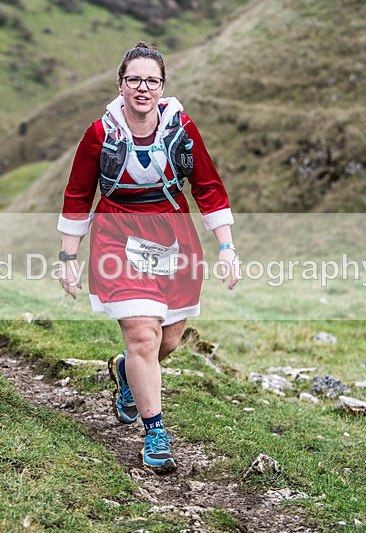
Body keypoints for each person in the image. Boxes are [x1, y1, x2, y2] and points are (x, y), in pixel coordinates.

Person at [57, 42, 240, 473]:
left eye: (151, 80)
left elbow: (208, 187)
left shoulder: (182, 129)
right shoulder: (100, 134)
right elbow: (79, 194)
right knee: (143, 336)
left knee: (169, 340)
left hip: (174, 236)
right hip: (117, 235)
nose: (142, 87)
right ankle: (155, 431)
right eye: (134, 79)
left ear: (162, 87)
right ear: (121, 85)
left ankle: (126, 374)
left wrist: (227, 247)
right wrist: (68, 256)